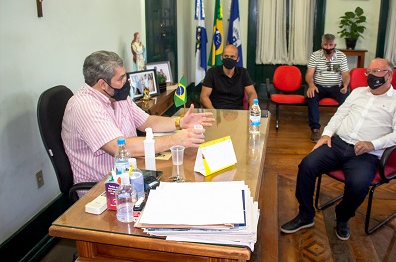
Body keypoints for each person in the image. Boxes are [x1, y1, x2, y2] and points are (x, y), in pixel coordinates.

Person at [280, 58, 396, 241]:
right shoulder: (358, 92)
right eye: (368, 72)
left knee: (358, 185)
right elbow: (340, 114)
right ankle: (305, 215)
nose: (370, 76)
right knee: (306, 166)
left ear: (389, 75)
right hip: (338, 144)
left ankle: (342, 216)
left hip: (366, 154)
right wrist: (326, 134)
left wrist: (372, 144)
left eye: (376, 71)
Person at [62, 50, 215, 188]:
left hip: (130, 175)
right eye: (121, 78)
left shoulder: (116, 96)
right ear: (102, 84)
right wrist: (175, 140)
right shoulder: (85, 106)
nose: (126, 82)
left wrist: (179, 123)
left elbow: (147, 122)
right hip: (104, 187)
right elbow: (119, 148)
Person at [306, 34, 350, 142]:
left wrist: (345, 85)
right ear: (322, 44)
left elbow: (345, 74)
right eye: (326, 44)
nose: (328, 47)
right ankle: (315, 129)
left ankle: (342, 130)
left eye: (331, 45)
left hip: (336, 86)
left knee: (347, 100)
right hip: (319, 86)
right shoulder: (315, 55)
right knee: (311, 97)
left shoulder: (341, 56)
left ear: (334, 45)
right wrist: (311, 85)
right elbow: (309, 74)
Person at [200, 44, 257, 109]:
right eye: (226, 56)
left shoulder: (243, 73)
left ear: (237, 59)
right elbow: (204, 96)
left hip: (237, 112)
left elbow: (252, 93)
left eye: (232, 57)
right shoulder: (212, 72)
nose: (229, 59)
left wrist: (252, 108)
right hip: (217, 111)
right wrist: (213, 112)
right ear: (222, 57)